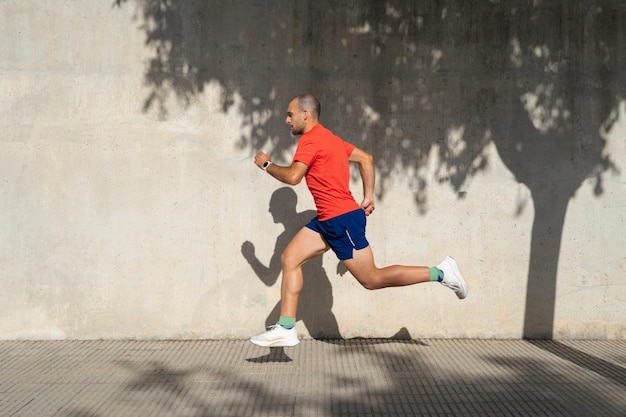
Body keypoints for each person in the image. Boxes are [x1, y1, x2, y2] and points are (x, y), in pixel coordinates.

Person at [250, 94, 468, 347]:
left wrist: (267, 164)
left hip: (341, 220)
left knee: (372, 280)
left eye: (290, 114)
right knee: (290, 259)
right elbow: (366, 159)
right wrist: (368, 196)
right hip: (327, 220)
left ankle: (442, 273)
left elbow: (294, 177)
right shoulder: (330, 139)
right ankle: (286, 328)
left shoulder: (310, 140)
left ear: (306, 114)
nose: (286, 119)